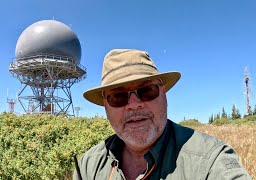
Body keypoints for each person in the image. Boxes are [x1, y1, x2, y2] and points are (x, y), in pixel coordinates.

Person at [73, 49, 251, 180]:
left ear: (163, 93)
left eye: (146, 91)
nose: (134, 105)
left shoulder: (209, 160)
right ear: (105, 105)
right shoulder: (89, 165)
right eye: (118, 97)